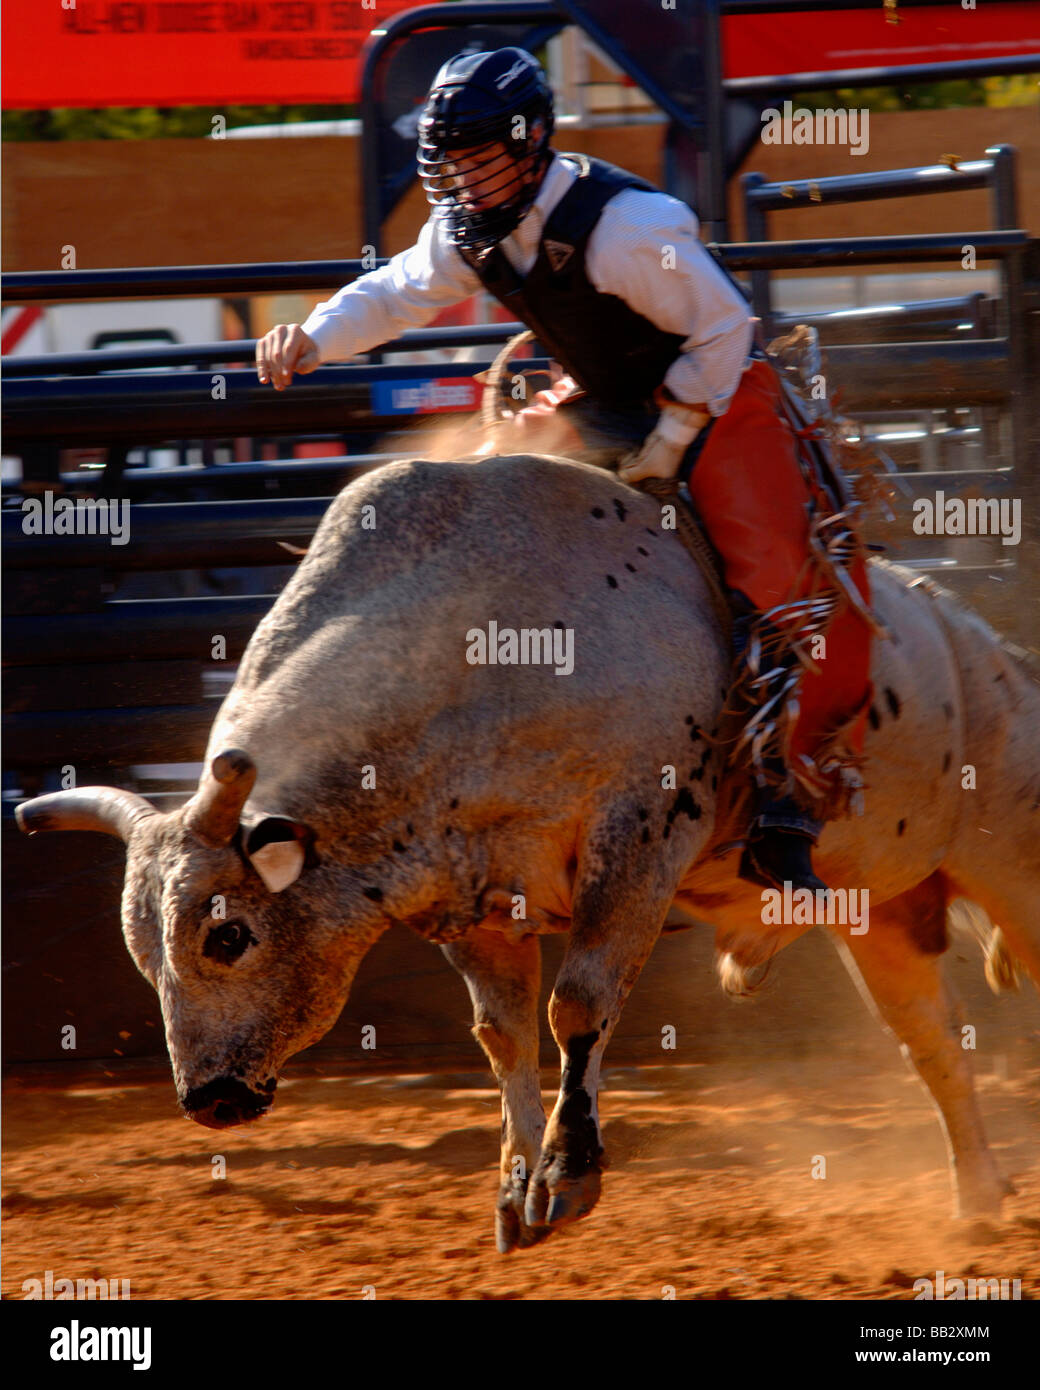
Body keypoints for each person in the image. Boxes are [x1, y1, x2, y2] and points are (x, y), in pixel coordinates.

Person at [256, 46, 874, 894]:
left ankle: (786, 802)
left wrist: (676, 431)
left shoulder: (626, 229)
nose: (466, 184)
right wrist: (314, 338)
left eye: (482, 160)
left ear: (532, 141)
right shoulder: (469, 232)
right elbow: (395, 293)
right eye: (450, 166)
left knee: (773, 569)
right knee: (479, 510)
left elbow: (726, 325)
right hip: (600, 399)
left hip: (720, 394)